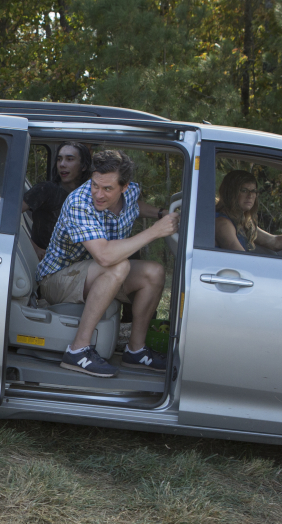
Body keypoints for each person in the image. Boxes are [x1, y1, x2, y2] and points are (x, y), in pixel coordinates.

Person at [35, 149, 179, 378]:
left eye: (108, 189)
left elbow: (134, 206)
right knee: (118, 265)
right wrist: (155, 232)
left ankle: (136, 351)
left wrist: (160, 214)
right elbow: (104, 256)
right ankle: (78, 351)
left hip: (95, 274)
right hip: (57, 279)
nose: (98, 194)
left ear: (124, 187)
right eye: (95, 185)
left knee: (154, 272)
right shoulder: (79, 202)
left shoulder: (130, 192)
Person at [23, 142, 92, 255]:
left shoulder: (90, 195)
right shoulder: (46, 190)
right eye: (59, 159)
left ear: (83, 166)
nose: (62, 164)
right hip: (48, 261)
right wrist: (35, 249)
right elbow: (9, 218)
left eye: (69, 159)